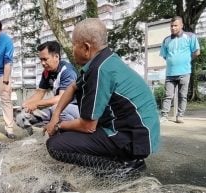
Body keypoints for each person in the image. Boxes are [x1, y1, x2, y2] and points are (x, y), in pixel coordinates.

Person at [44, 18, 160, 175]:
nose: (72, 51)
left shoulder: (99, 70)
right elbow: (73, 87)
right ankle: (122, 158)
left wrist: (58, 125)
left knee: (55, 145)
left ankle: (122, 166)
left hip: (132, 139)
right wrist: (55, 116)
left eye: (73, 46)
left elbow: (87, 126)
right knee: (66, 133)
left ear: (86, 48)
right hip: (136, 132)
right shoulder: (104, 60)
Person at [16, 41, 79, 132]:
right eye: (41, 59)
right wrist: (25, 105)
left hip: (75, 108)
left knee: (56, 109)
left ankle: (70, 133)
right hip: (58, 107)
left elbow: (62, 98)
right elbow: (40, 93)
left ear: (56, 57)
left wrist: (36, 104)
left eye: (45, 59)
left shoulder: (67, 72)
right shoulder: (47, 71)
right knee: (23, 116)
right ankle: (46, 131)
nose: (42, 63)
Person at [160, 16, 200, 123]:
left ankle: (180, 116)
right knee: (168, 95)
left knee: (183, 96)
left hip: (185, 72)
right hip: (170, 73)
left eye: (175, 25)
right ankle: (164, 115)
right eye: (171, 26)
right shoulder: (166, 40)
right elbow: (165, 55)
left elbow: (196, 52)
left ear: (181, 25)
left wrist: (186, 60)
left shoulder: (190, 36)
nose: (173, 28)